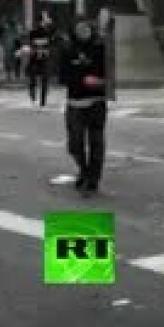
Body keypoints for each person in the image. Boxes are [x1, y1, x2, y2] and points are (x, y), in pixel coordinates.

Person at [59, 17, 109, 196]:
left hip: (96, 102)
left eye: (86, 27)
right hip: (75, 103)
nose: (83, 31)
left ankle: (93, 178)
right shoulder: (67, 50)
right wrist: (81, 80)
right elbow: (62, 77)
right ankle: (83, 169)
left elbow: (113, 77)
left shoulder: (101, 48)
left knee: (96, 143)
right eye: (79, 28)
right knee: (75, 144)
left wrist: (100, 82)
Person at [26, 14, 56, 107]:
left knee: (45, 78)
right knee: (32, 76)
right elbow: (31, 42)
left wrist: (49, 22)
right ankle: (32, 92)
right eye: (41, 21)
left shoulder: (49, 32)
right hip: (34, 57)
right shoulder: (33, 32)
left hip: (45, 57)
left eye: (44, 21)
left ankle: (43, 100)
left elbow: (53, 33)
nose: (42, 23)